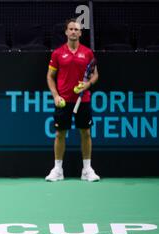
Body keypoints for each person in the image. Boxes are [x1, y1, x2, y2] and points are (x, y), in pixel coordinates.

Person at [46, 18, 100, 182]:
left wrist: (88, 84)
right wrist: (56, 95)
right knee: (60, 134)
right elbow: (50, 76)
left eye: (77, 29)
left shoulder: (88, 53)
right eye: (71, 29)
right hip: (64, 100)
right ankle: (57, 170)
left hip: (83, 99)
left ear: (81, 33)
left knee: (86, 133)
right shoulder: (57, 53)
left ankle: (87, 169)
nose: (74, 32)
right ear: (66, 32)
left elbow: (95, 74)